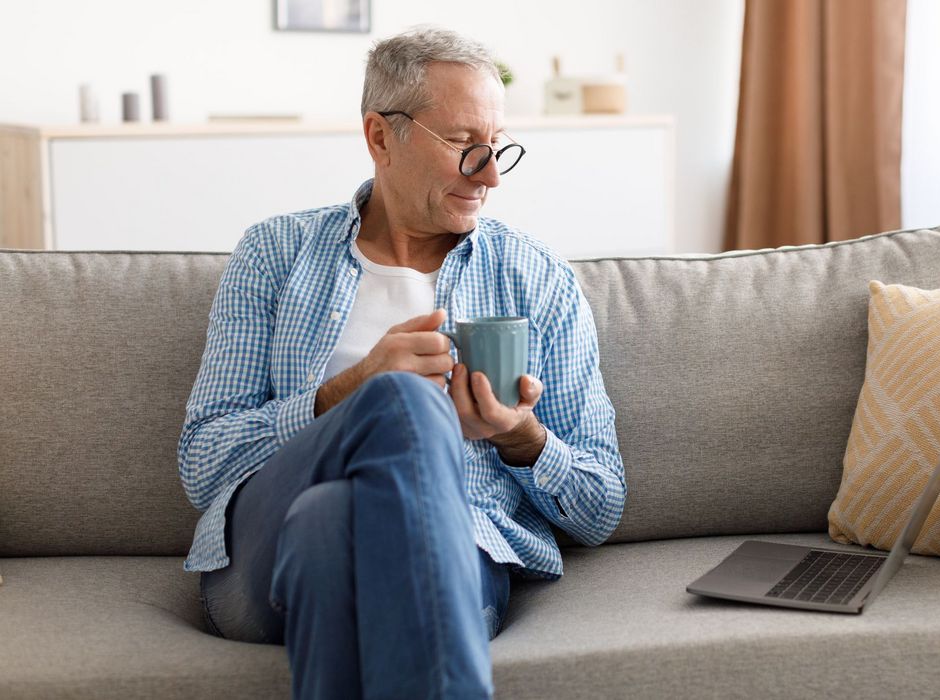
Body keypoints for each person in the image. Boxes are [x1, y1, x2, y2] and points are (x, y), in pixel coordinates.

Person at [177, 25, 626, 699]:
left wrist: (520, 438)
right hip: (258, 560)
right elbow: (203, 462)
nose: (492, 173)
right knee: (400, 401)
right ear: (381, 137)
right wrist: (353, 390)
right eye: (465, 145)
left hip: (440, 551)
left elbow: (601, 503)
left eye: (498, 147)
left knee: (330, 524)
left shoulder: (535, 277)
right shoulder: (275, 255)